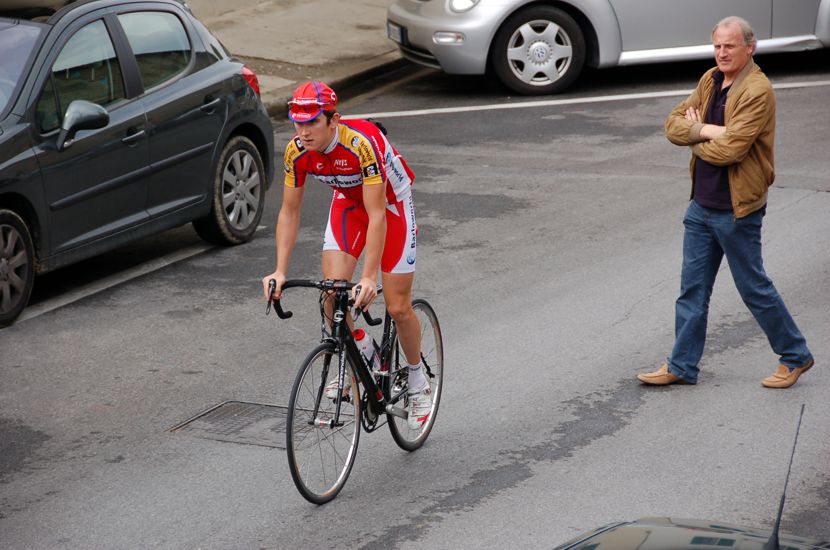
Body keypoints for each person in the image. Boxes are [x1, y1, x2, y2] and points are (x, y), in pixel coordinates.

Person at [637, 16, 814, 388]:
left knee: (754, 288)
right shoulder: (710, 79)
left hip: (736, 210)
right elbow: (672, 124)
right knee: (692, 291)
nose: (721, 52)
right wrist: (708, 130)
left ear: (749, 48)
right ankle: (682, 365)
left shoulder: (757, 90)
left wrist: (695, 135)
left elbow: (733, 149)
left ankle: (795, 355)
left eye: (729, 46)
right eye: (717, 45)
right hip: (700, 206)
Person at [261, 81, 431, 428]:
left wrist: (368, 278)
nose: (303, 132)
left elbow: (378, 214)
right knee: (331, 293)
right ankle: (360, 350)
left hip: (390, 205)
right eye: (297, 123)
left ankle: (418, 381)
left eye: (312, 123)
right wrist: (279, 270)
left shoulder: (361, 145)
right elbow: (289, 212)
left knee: (397, 306)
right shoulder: (297, 152)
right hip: (348, 203)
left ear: (333, 120)